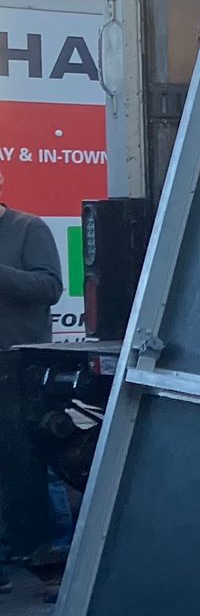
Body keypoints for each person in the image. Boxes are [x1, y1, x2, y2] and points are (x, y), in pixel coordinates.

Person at [0, 195, 64, 580]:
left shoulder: (28, 228)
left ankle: (54, 552)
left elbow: (50, 287)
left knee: (31, 461)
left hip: (16, 362)